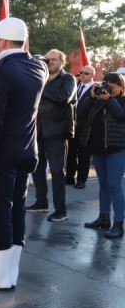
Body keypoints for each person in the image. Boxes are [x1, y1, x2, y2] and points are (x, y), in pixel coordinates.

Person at [0, 17, 47, 290]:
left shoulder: (1, 71)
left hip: (2, 152)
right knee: (17, 210)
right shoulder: (39, 66)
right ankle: (10, 271)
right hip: (28, 150)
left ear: (1, 41)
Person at [26, 49, 76, 222]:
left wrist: (42, 84)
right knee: (37, 168)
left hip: (57, 131)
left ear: (62, 61)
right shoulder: (39, 76)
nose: (50, 62)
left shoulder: (68, 79)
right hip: (37, 130)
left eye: (53, 59)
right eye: (47, 59)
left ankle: (60, 210)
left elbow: (64, 97)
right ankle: (41, 202)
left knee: (56, 171)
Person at [78, 73, 125, 238]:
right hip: (97, 148)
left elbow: (120, 116)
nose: (108, 90)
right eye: (106, 86)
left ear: (121, 87)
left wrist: (109, 99)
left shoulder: (121, 101)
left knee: (114, 185)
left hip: (117, 148)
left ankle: (119, 224)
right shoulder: (97, 100)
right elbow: (81, 114)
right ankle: (103, 218)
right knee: (103, 184)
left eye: (112, 87)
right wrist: (91, 97)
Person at [66, 65, 95, 189]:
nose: (82, 75)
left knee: (84, 154)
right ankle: (69, 178)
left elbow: (93, 109)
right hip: (72, 126)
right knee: (70, 153)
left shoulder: (95, 89)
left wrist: (80, 121)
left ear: (92, 75)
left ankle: (81, 180)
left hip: (86, 128)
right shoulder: (76, 86)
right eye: (81, 72)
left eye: (86, 73)